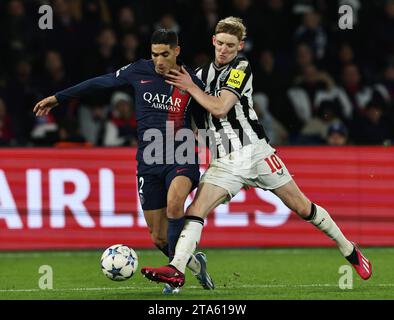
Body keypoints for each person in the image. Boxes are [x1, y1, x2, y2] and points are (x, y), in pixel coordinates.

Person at [141, 17, 372, 288]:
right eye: (220, 43)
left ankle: (349, 249)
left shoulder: (241, 68)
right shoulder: (199, 75)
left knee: (301, 206)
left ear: (240, 46)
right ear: (213, 41)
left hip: (254, 152)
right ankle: (176, 269)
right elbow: (189, 113)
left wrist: (190, 88)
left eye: (230, 45)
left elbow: (220, 108)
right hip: (225, 162)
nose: (224, 49)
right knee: (195, 210)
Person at [33, 29, 214, 293]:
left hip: (181, 155)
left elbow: (206, 119)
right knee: (158, 236)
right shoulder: (138, 71)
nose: (159, 61)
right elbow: (99, 82)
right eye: (155, 55)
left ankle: (174, 276)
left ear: (177, 51)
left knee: (175, 205)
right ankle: (193, 263)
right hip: (149, 161)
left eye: (165, 54)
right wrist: (58, 97)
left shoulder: (191, 80)